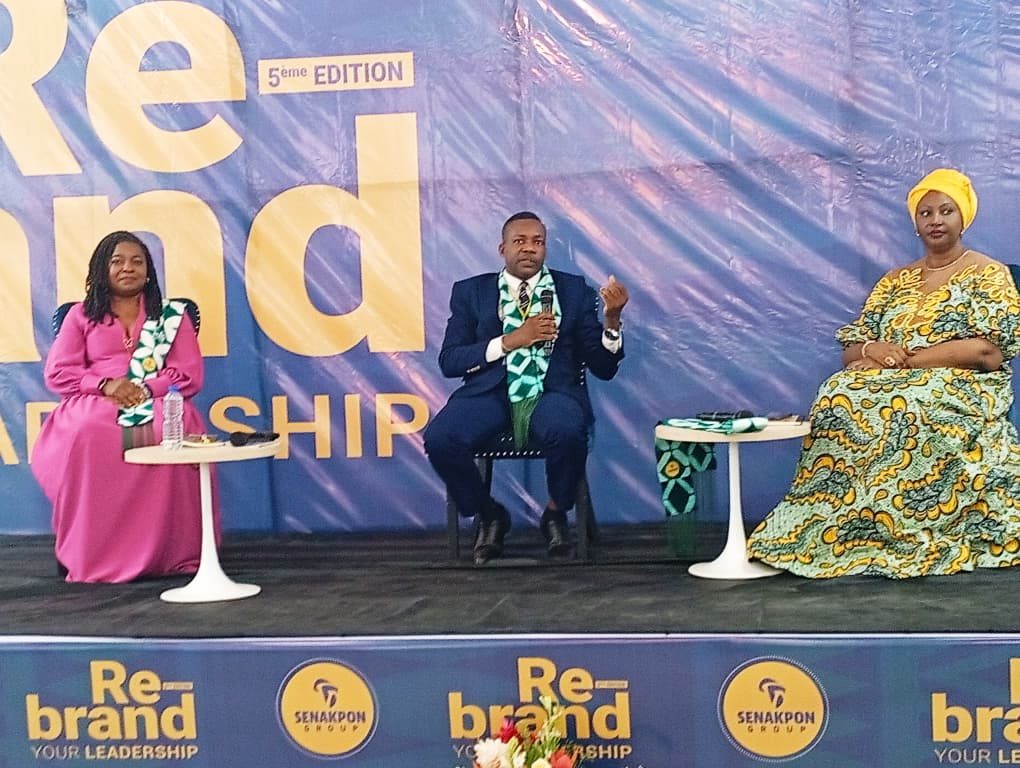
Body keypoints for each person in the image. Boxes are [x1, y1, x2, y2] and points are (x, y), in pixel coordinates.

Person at [748, 169, 1020, 578]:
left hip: (961, 382)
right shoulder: (895, 280)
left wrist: (909, 362)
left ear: (963, 217)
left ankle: (903, 528)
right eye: (926, 213)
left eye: (946, 210)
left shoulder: (988, 274)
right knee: (837, 394)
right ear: (915, 223)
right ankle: (837, 527)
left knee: (904, 402)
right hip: (890, 377)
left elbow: (988, 352)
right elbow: (852, 349)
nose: (935, 220)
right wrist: (872, 350)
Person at [425, 211, 628, 564]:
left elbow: (603, 367)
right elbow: (451, 361)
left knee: (567, 429)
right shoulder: (472, 292)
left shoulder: (572, 291)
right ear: (502, 248)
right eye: (519, 241)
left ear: (545, 248)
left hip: (552, 391)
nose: (529, 248)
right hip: (490, 393)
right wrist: (511, 340)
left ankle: (555, 513)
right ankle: (489, 514)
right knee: (441, 438)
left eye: (537, 242)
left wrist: (612, 321)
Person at [31, 231, 216, 583]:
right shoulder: (80, 315)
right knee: (87, 431)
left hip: (157, 398)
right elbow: (60, 372)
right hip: (96, 399)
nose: (127, 268)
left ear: (148, 271)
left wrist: (145, 388)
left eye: (137, 261)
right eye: (117, 261)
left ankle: (166, 552)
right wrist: (105, 385)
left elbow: (188, 374)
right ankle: (94, 551)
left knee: (168, 429)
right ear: (102, 269)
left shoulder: (171, 316)